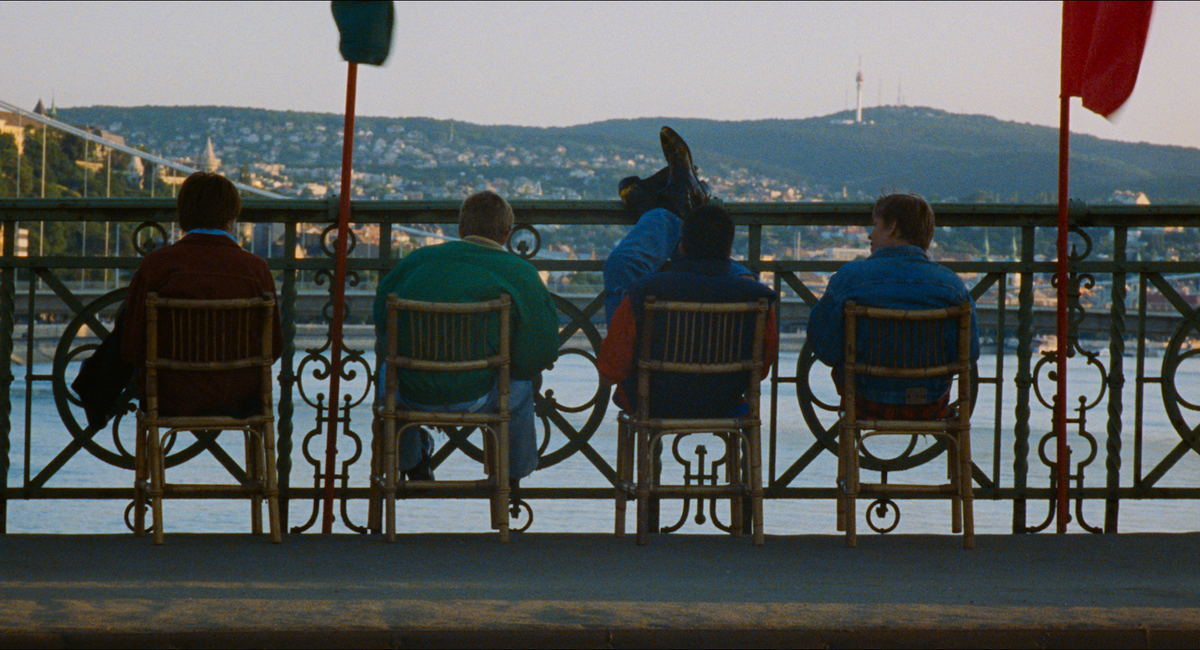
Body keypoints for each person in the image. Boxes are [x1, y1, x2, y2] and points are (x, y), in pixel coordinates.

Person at [373, 190, 559, 482]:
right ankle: (511, 474)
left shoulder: (415, 262)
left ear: (460, 229)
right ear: (507, 234)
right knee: (522, 382)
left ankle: (410, 462)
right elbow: (540, 352)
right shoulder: (520, 273)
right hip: (479, 396)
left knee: (387, 371)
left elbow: (382, 324)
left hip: (412, 394)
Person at [120, 171, 283, 417]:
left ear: (183, 215)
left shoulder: (156, 265)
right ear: (232, 217)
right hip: (240, 399)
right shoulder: (256, 269)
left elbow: (131, 346)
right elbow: (274, 346)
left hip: (169, 397)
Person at [806, 193, 980, 418]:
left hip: (864, 402)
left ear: (893, 227)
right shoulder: (953, 286)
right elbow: (970, 353)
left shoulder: (849, 278)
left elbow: (824, 348)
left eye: (876, 225)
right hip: (930, 404)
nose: (870, 235)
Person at [598, 203, 779, 418]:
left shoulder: (641, 294)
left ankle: (666, 216)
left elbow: (610, 371)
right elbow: (761, 369)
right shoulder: (760, 299)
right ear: (730, 252)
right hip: (723, 405)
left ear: (681, 248)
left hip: (652, 405)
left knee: (622, 263)